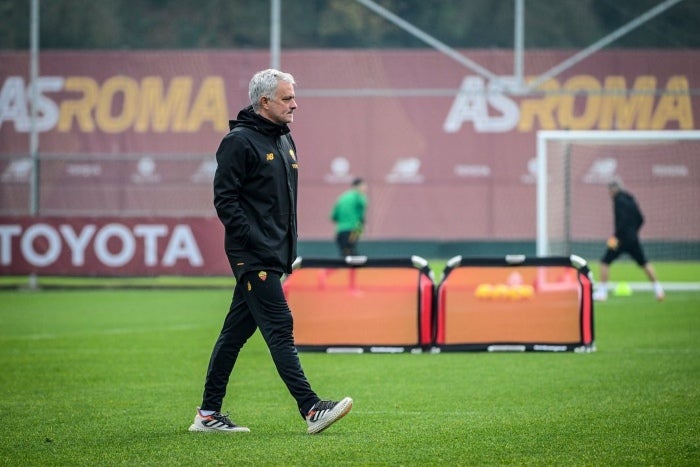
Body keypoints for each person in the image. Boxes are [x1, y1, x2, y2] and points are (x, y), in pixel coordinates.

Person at [189, 69, 352, 434]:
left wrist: (283, 245)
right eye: (287, 98)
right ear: (264, 102)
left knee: (234, 335)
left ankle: (208, 415)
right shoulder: (239, 142)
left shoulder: (284, 139)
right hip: (253, 255)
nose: (295, 104)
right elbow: (224, 199)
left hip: (274, 254)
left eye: (293, 96)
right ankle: (311, 409)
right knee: (280, 327)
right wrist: (256, 241)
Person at [593, 180, 664, 301]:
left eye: (609, 190)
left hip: (620, 239)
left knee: (605, 262)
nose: (609, 193)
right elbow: (641, 219)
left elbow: (622, 221)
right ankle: (658, 290)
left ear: (614, 189)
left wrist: (615, 236)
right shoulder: (630, 199)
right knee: (644, 262)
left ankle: (602, 292)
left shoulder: (617, 201)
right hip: (633, 239)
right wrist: (633, 232)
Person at [330, 177, 368, 257]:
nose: (365, 189)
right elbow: (363, 207)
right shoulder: (359, 196)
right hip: (353, 230)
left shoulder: (342, 197)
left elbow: (333, 216)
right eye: (363, 186)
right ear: (357, 186)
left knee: (344, 256)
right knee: (353, 255)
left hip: (340, 231)